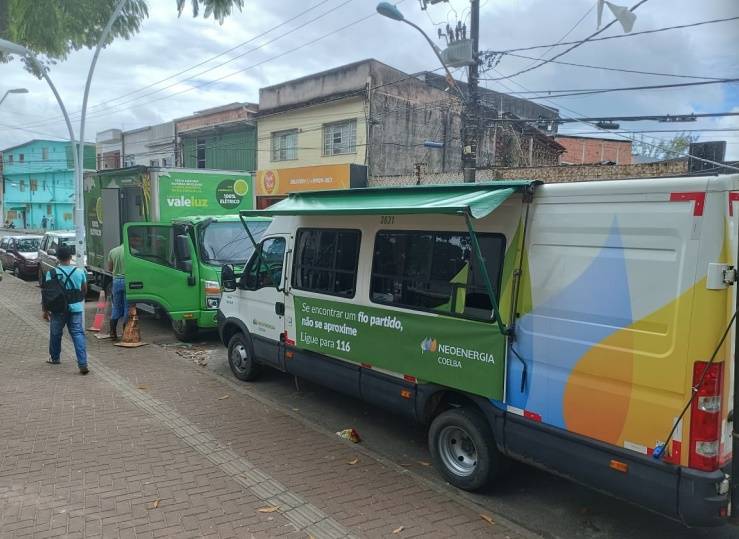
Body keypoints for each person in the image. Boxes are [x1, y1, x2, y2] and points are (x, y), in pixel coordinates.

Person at [43, 245, 89, 374]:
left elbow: (47, 294)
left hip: (58, 309)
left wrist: (45, 310)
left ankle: (55, 357)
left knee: (56, 333)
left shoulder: (51, 273)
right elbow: (84, 290)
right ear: (70, 257)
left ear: (57, 258)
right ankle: (83, 363)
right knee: (78, 333)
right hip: (76, 308)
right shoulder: (80, 272)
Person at [106, 243, 127, 341]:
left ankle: (112, 332)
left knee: (116, 307)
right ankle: (126, 333)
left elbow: (110, 269)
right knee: (128, 307)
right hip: (129, 281)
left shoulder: (112, 251)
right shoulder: (133, 252)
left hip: (116, 281)